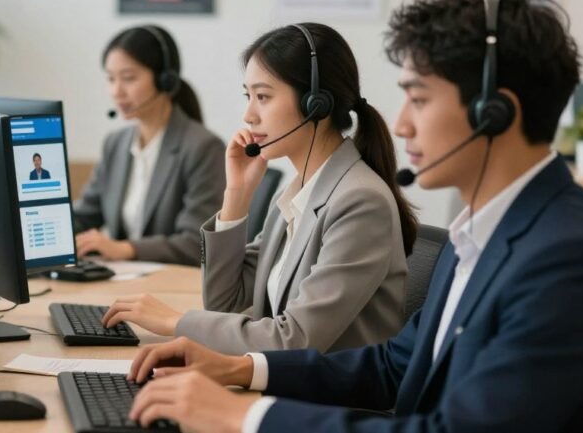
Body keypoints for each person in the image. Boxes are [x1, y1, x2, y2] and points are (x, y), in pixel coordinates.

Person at [124, 0, 583, 433]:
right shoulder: (480, 234)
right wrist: (238, 368)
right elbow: (393, 365)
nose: (401, 123)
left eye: (418, 98)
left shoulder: (566, 258)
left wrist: (246, 415)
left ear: (493, 112)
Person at [104, 23, 416, 355]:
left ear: (316, 104)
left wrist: (175, 322)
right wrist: (236, 194)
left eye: (263, 97)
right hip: (283, 385)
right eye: (248, 96)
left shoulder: (360, 202)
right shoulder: (299, 192)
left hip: (329, 401)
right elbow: (225, 303)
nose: (248, 115)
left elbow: (294, 340)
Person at [71, 25, 225, 266]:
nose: (116, 91)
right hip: (121, 282)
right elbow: (85, 215)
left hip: (171, 285)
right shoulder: (116, 144)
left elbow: (197, 243)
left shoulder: (203, 148)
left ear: (165, 80)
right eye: (111, 79)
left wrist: (124, 248)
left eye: (129, 78)